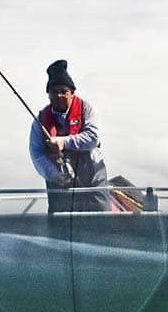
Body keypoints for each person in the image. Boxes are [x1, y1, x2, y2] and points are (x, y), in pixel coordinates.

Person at [29, 59, 109, 213]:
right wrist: (53, 174)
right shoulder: (40, 121)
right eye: (54, 91)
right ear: (48, 94)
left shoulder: (87, 109)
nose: (59, 95)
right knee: (59, 221)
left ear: (72, 93)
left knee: (101, 216)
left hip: (92, 175)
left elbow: (93, 137)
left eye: (63, 91)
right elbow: (36, 153)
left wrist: (62, 142)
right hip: (59, 179)